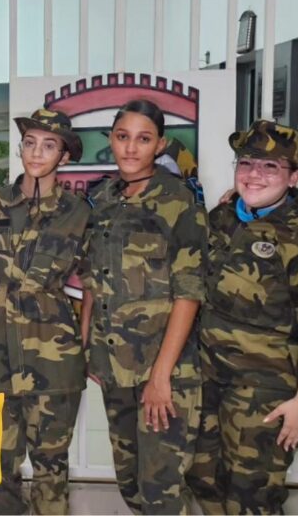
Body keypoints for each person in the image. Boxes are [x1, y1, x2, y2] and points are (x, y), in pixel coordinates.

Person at [187, 121, 298, 514]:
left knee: (251, 497)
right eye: (247, 163)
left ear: (293, 177)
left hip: (265, 393)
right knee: (203, 480)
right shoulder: (223, 218)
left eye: (270, 166)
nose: (254, 174)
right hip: (207, 381)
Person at [79, 99, 207, 515]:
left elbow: (189, 292)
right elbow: (93, 281)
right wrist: (86, 344)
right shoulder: (102, 198)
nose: (131, 148)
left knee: (161, 492)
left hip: (164, 370)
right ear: (111, 140)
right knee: (131, 483)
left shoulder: (179, 200)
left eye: (143, 139)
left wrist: (161, 377)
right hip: (115, 366)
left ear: (160, 145)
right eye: (122, 137)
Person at [0, 107, 90, 515]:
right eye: (30, 143)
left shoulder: (79, 211)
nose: (36, 152)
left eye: (49, 145)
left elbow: (94, 285)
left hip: (54, 350)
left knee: (51, 464)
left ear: (64, 156)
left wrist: (84, 345)